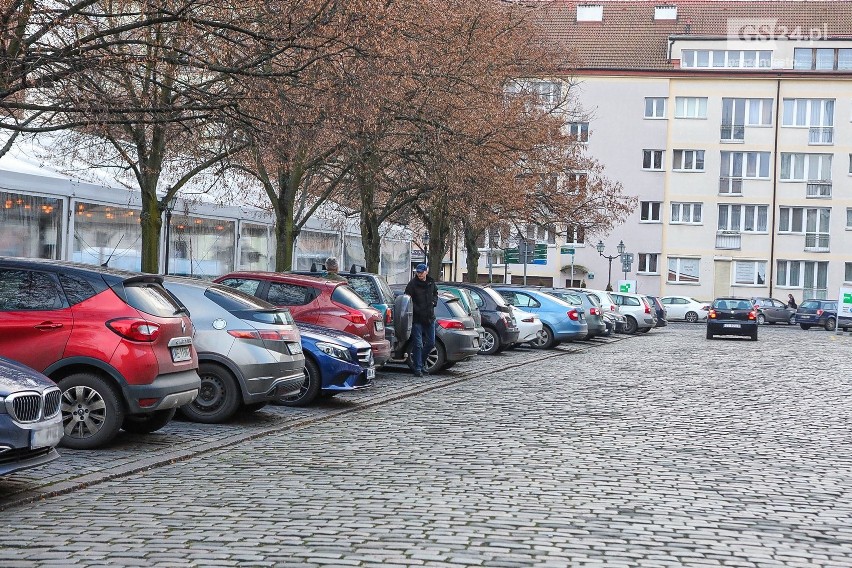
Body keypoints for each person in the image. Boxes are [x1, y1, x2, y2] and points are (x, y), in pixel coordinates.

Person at [404, 263, 437, 377]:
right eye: (417, 272)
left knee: (431, 342)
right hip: (417, 318)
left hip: (429, 317)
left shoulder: (431, 282)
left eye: (421, 272)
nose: (419, 274)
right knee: (418, 344)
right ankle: (418, 368)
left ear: (426, 271)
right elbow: (407, 299)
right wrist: (415, 309)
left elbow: (435, 294)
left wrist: (434, 302)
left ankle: (421, 363)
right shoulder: (412, 284)